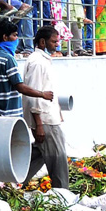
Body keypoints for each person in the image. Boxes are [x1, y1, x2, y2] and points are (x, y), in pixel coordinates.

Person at [23, 25, 70, 188]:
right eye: (54, 41)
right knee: (59, 161)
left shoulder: (43, 60)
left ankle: (14, 182)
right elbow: (34, 94)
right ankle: (64, 196)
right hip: (45, 120)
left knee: (38, 155)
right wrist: (39, 124)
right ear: (42, 42)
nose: (57, 44)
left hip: (49, 118)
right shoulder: (37, 62)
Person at [0, 17, 52, 118]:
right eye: (14, 35)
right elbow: (20, 87)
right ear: (5, 37)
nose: (17, 39)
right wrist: (42, 94)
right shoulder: (8, 59)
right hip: (11, 116)